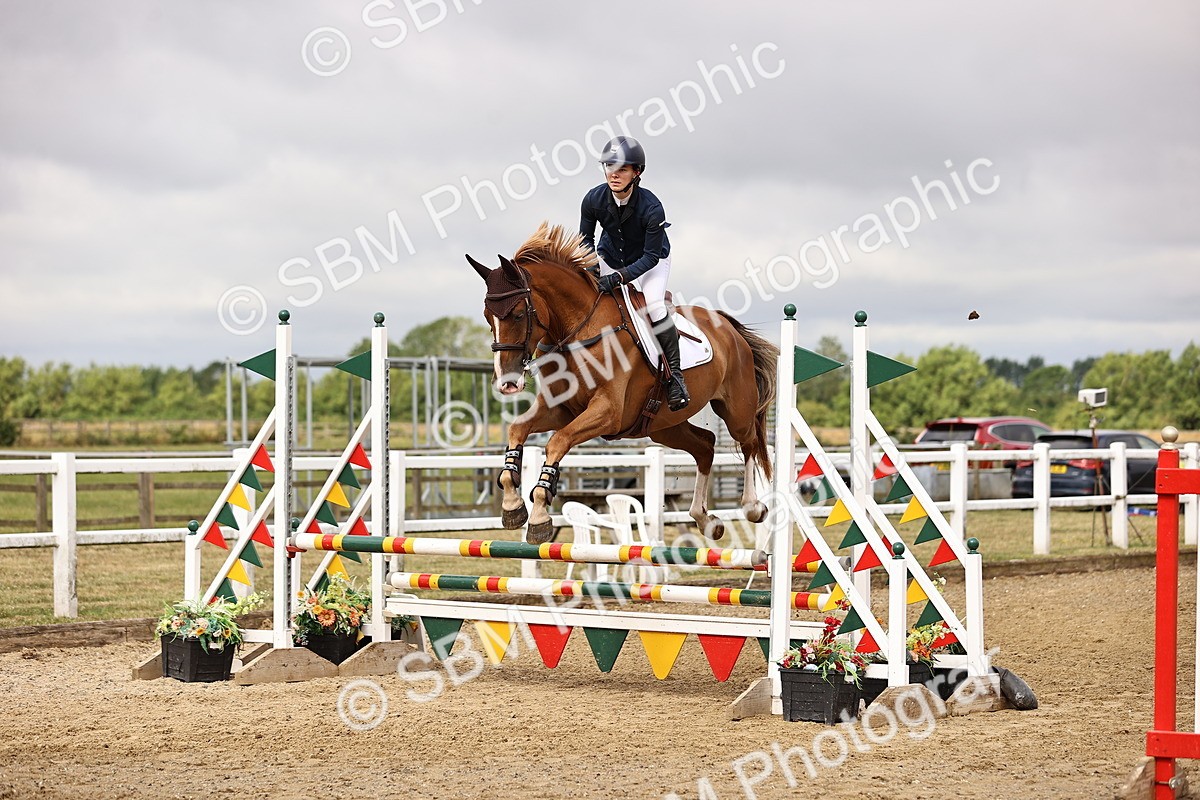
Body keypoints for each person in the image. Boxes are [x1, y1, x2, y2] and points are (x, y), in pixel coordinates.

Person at [579, 136, 690, 411]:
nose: (613, 174)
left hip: (651, 262)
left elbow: (650, 256)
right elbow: (585, 241)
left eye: (622, 169)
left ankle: (675, 376)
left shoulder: (652, 208)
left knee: (653, 306)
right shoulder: (593, 198)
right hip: (610, 257)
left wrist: (618, 278)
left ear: (636, 173)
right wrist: (594, 268)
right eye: (609, 167)